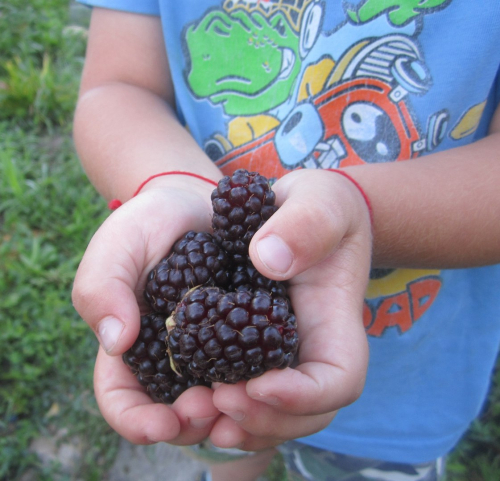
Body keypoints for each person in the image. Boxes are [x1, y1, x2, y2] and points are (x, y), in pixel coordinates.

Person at [71, 1, 500, 480]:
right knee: (227, 438)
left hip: (407, 385)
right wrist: (169, 182)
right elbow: (118, 87)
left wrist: (355, 209)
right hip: (214, 389)